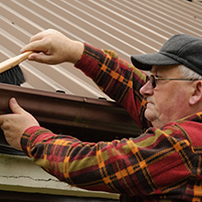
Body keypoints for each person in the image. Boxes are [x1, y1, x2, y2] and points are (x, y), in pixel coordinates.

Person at [0, 29, 202, 202]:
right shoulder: (183, 123)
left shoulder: (186, 143)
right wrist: (75, 52)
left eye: (157, 80)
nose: (145, 89)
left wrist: (30, 136)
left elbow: (97, 163)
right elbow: (131, 86)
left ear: (196, 91)